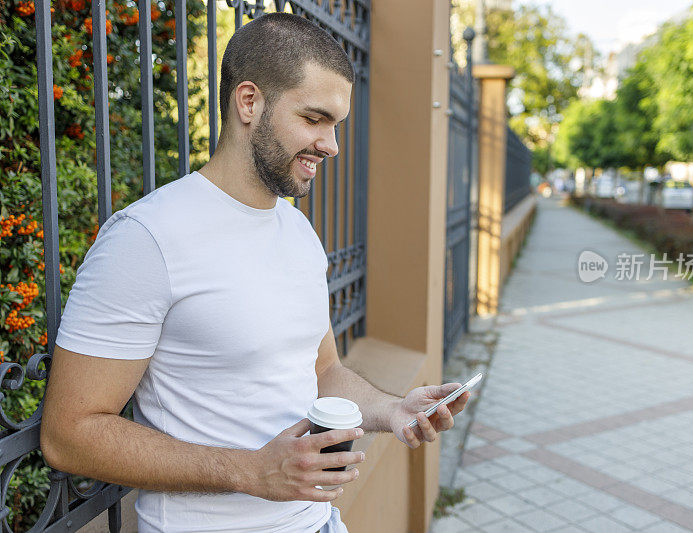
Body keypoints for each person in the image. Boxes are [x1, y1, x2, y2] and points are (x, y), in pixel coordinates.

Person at [40, 13, 470, 533]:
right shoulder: (146, 239)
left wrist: (394, 409)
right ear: (249, 103)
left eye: (336, 125)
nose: (331, 145)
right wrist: (250, 472)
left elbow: (323, 372)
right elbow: (68, 434)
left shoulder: (297, 231)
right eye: (314, 119)